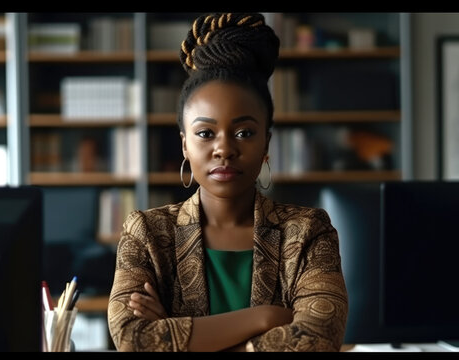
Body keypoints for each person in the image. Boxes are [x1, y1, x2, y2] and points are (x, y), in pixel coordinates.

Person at [107, 12, 348, 352]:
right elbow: (134, 338)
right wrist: (265, 317)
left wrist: (178, 336)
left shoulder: (309, 231)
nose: (224, 149)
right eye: (205, 133)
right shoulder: (146, 233)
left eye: (244, 132)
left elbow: (317, 339)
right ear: (184, 145)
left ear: (265, 142)